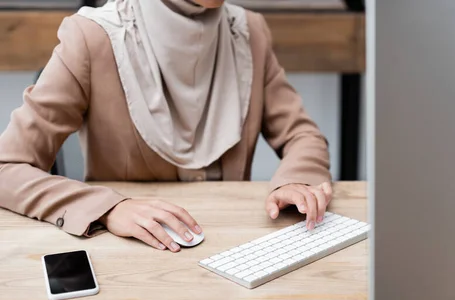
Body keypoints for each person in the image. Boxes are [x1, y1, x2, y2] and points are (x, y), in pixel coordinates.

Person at [0, 0, 332, 253]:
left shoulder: (249, 31)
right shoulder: (92, 37)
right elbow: (7, 166)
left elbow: (302, 135)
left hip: (235, 252)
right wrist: (108, 208)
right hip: (130, 258)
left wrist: (296, 182)